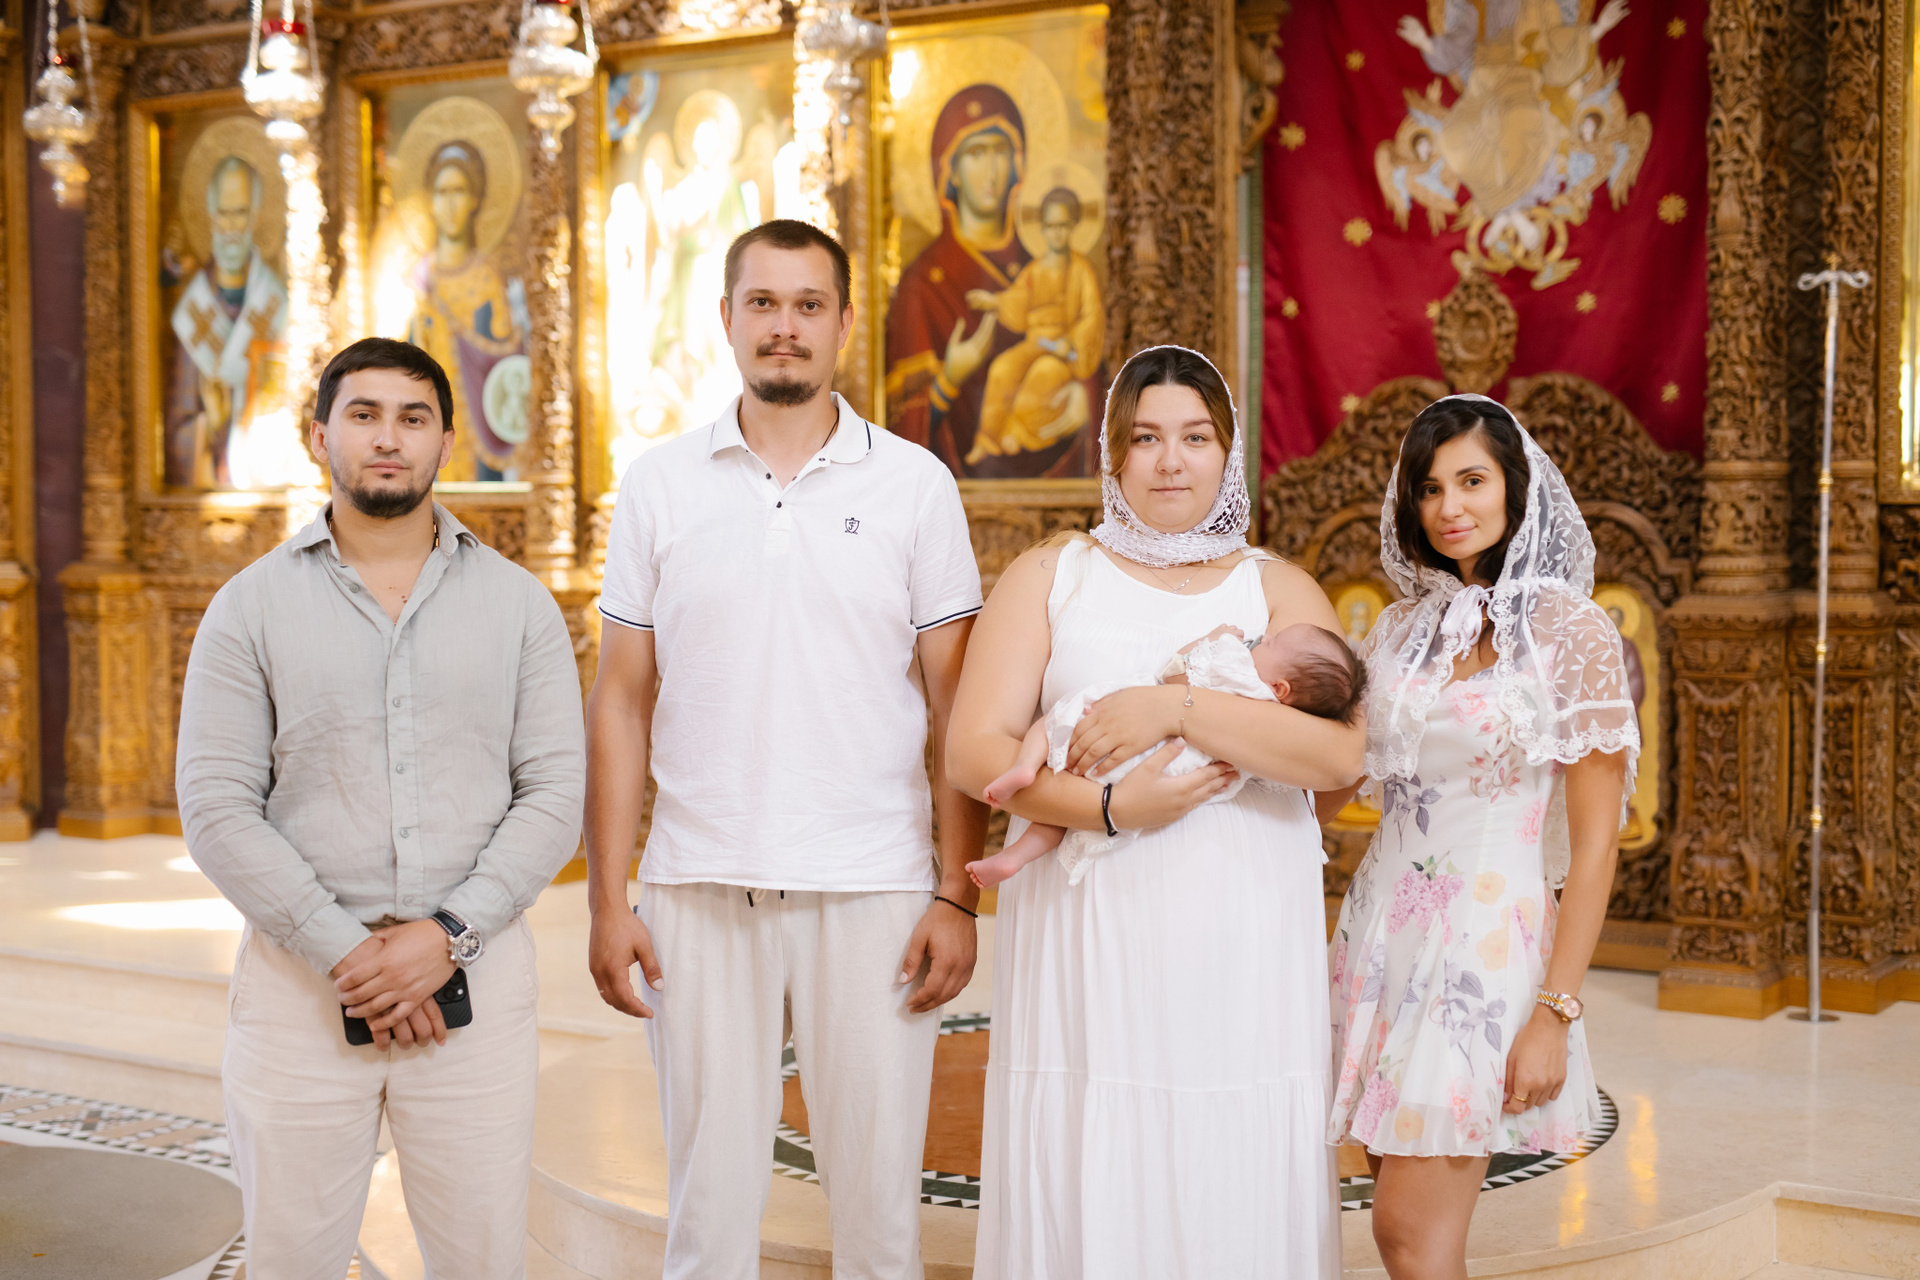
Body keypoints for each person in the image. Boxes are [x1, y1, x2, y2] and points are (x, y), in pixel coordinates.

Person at [585, 218, 988, 1280]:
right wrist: (608, 898)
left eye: (809, 305)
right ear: (725, 318)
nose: (785, 327)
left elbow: (957, 703)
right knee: (707, 1217)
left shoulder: (914, 485)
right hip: (697, 883)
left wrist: (957, 894)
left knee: (880, 1221)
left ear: (844, 323)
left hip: (874, 886)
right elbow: (620, 698)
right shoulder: (660, 482)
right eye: (763, 303)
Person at [175, 337, 586, 1279]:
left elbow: (554, 794)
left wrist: (447, 937)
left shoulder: (519, 607)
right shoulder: (248, 608)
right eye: (363, 415)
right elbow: (217, 806)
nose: (388, 438)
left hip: (475, 987)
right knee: (292, 1261)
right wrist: (350, 955)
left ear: (447, 439)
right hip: (301, 992)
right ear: (321, 436)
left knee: (483, 1263)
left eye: (413, 417)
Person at [949, 344, 1359, 1278]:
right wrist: (1109, 808)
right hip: (1088, 930)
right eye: (1145, 438)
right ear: (1112, 453)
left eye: (1196, 437)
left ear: (1229, 453)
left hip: (1242, 940)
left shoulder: (1277, 587)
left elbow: (1340, 755)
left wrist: (1173, 709)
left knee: (1231, 1147)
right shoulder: (1054, 573)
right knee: (1097, 1130)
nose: (1171, 461)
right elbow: (973, 751)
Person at [1318, 394, 1636, 1280]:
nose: (1449, 506)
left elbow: (1597, 844)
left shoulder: (1572, 632)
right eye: (1429, 488)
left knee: (1407, 1234)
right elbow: (1336, 775)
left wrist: (1555, 1011)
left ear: (1514, 488)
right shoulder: (1398, 631)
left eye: (1472, 481)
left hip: (1482, 948)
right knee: (1408, 1232)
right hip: (1378, 937)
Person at [967, 621, 1365, 889]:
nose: (1264, 639)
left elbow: (1175, 673)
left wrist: (1213, 639)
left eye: (1272, 644)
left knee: (1053, 721)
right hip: (1173, 772)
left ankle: (1025, 768)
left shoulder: (1238, 668)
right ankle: (1015, 858)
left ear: (1280, 687)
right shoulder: (1277, 719)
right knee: (1067, 820)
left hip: (1133, 742)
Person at [884, 84, 1096, 478]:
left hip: (1057, 481)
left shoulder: (1050, 266)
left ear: (1018, 164)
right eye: (976, 153)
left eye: (1000, 151)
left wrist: (1085, 401)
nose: (991, 169)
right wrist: (950, 379)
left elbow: (1091, 345)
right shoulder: (922, 285)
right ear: (950, 169)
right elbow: (893, 429)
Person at [407, 140, 531, 480]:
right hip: (424, 424)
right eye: (442, 192)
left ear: (475, 200)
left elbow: (505, 359)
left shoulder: (488, 278)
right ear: (430, 201)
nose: (450, 204)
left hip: (479, 430)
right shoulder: (417, 279)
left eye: (459, 191)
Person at [166, 154, 290, 489]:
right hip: (210, 483)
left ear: (256, 215)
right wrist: (211, 424)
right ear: (210, 215)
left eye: (240, 212)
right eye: (224, 213)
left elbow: (289, 409)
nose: (232, 227)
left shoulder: (277, 303)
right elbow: (177, 425)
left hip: (265, 479)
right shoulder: (191, 313)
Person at [963, 185, 1104, 466]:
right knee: (1002, 369)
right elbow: (1017, 302)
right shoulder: (1035, 270)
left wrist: (1072, 344)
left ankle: (1018, 433)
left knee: (1043, 374)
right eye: (1050, 226)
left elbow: (1092, 317)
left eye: (1063, 226)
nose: (1056, 233)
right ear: (1042, 228)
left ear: (1073, 226)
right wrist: (994, 302)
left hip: (1062, 352)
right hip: (1035, 342)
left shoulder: (1081, 271)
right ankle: (987, 439)